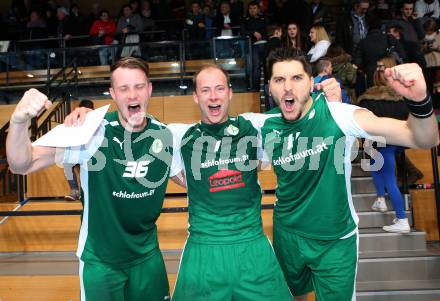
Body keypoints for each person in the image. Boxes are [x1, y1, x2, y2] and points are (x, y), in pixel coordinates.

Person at [260, 48, 438, 300]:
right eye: (279, 80)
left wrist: (419, 100)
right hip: (287, 235)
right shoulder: (263, 125)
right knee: (292, 296)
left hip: (335, 238)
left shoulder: (339, 114)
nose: (288, 87)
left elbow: (424, 137)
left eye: (297, 78)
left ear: (312, 83)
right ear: (269, 87)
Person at [6, 57, 183, 301]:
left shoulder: (164, 135)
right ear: (112, 93)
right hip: (101, 263)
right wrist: (18, 121)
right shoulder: (91, 132)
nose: (132, 95)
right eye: (123, 88)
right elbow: (22, 163)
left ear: (150, 89)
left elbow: (191, 180)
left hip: (147, 259)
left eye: (139, 86)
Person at [169, 64, 294, 301]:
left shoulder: (253, 126)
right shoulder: (180, 135)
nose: (213, 96)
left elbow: (298, 111)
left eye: (219, 88)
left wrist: (327, 97)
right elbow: (132, 126)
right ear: (195, 96)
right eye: (205, 90)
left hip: (253, 248)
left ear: (229, 92)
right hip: (203, 251)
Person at [358, 55, 411, 233]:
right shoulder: (402, 96)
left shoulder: (369, 98)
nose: (379, 70)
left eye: (381, 67)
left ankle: (402, 218)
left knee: (389, 178)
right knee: (376, 167)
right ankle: (381, 199)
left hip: (382, 141)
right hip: (391, 140)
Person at [64, 99, 95, 201]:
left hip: (91, 153)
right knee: (68, 164)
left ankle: (82, 192)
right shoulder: (74, 119)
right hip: (76, 150)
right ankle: (75, 191)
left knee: (84, 168)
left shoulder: (96, 119)